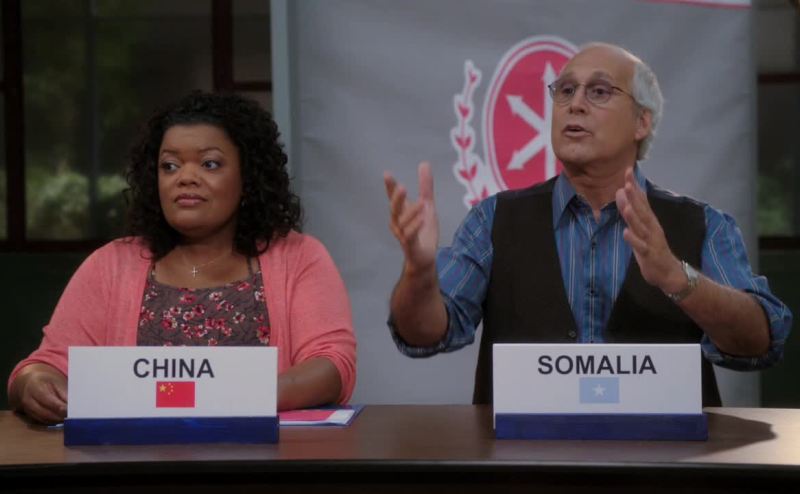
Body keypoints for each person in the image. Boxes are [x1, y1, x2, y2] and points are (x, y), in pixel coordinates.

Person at [384, 43, 791, 405]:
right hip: (523, 459)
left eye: (599, 91)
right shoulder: (492, 220)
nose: (575, 104)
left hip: (664, 459)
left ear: (641, 122)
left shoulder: (705, 225)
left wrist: (676, 276)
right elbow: (424, 333)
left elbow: (760, 340)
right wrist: (418, 273)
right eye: (565, 90)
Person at [8, 91, 356, 424]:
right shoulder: (110, 266)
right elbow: (44, 365)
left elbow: (331, 365)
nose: (186, 178)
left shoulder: (298, 257)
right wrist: (33, 383)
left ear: (248, 178)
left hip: (263, 459)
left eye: (209, 164)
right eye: (170, 166)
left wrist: (229, 397)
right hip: (133, 462)